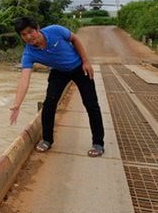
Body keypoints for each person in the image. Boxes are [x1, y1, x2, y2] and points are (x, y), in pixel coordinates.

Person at [9, 15, 105, 156]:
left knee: (91, 104)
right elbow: (24, 78)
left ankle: (98, 143)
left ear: (37, 28)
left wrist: (86, 61)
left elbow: (75, 39)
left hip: (78, 67)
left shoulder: (55, 30)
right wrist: (17, 104)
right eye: (24, 35)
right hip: (59, 72)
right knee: (49, 104)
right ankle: (47, 140)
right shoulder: (28, 54)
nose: (28, 37)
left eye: (30, 32)